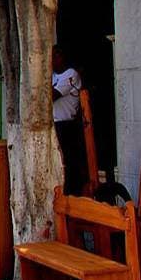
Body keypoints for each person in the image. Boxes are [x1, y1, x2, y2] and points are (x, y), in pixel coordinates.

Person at [52, 46, 86, 195]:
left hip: (66, 126)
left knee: (69, 164)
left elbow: (52, 95)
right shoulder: (52, 75)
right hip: (54, 124)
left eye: (54, 56)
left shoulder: (70, 74)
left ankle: (72, 195)